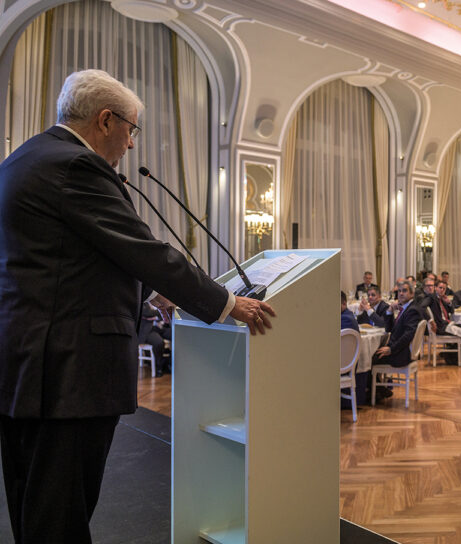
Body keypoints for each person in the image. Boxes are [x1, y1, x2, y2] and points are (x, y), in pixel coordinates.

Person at [0, 69, 275, 543]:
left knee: (33, 502)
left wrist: (153, 293)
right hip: (67, 371)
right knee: (60, 514)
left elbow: (71, 258)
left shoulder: (25, 158)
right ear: (106, 120)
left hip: (27, 364)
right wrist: (228, 303)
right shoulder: (76, 167)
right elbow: (143, 248)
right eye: (131, 128)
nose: (131, 144)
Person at [374, 281, 424, 370]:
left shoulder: (412, 310)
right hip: (399, 350)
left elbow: (408, 335)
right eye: (399, 291)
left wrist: (391, 349)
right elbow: (389, 329)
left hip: (400, 354)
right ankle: (382, 383)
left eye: (404, 291)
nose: (400, 293)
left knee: (366, 358)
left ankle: (371, 384)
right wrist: (390, 310)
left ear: (412, 294)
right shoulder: (406, 308)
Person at [138, 302, 171, 377]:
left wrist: (156, 317)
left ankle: (169, 364)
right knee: (159, 342)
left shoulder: (159, 301)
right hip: (148, 330)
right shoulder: (143, 301)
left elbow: (167, 313)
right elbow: (147, 312)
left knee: (174, 334)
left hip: (160, 327)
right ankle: (159, 367)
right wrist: (161, 310)